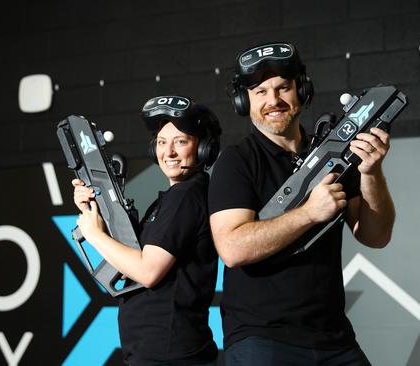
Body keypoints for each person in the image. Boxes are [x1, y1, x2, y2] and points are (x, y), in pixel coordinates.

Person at [209, 41, 395, 365]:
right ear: (244, 102)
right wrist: (308, 213)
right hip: (262, 339)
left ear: (302, 90)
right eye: (261, 92)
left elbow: (375, 236)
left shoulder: (333, 153)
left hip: (334, 337)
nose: (274, 101)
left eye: (283, 88)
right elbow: (233, 247)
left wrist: (371, 171)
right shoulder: (236, 162)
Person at [72, 95, 221, 365]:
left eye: (181, 141)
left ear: (202, 148)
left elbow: (147, 271)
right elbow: (132, 260)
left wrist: (94, 234)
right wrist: (94, 211)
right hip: (160, 352)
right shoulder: (177, 197)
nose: (169, 152)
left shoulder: (186, 196)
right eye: (162, 142)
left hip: (169, 354)